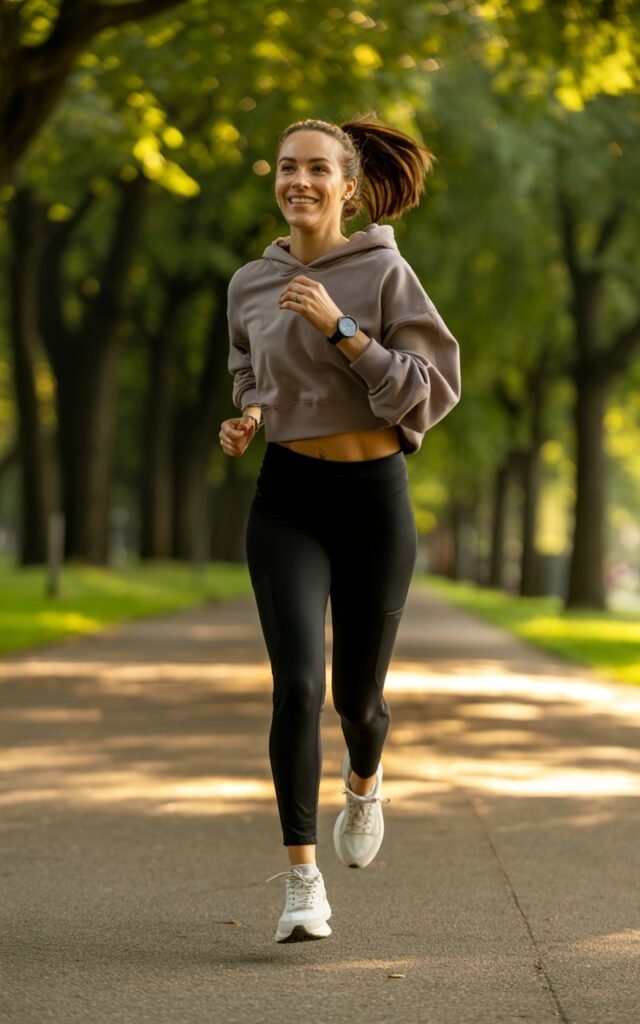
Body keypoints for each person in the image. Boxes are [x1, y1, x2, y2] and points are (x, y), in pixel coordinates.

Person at [219, 116, 461, 944]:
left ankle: (366, 779)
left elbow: (429, 394)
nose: (301, 181)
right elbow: (251, 371)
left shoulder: (386, 273)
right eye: (287, 167)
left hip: (373, 501)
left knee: (358, 701)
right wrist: (248, 416)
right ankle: (301, 884)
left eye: (318, 169)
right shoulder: (250, 282)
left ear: (348, 187)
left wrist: (342, 328)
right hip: (286, 499)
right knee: (297, 687)